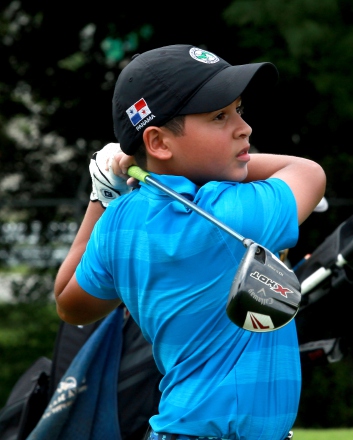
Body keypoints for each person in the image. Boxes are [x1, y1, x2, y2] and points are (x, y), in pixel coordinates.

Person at [54, 44, 326, 440]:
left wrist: (103, 194)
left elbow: (70, 304)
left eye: (239, 110)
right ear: (160, 143)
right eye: (220, 116)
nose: (243, 128)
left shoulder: (120, 221)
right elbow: (308, 172)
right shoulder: (233, 210)